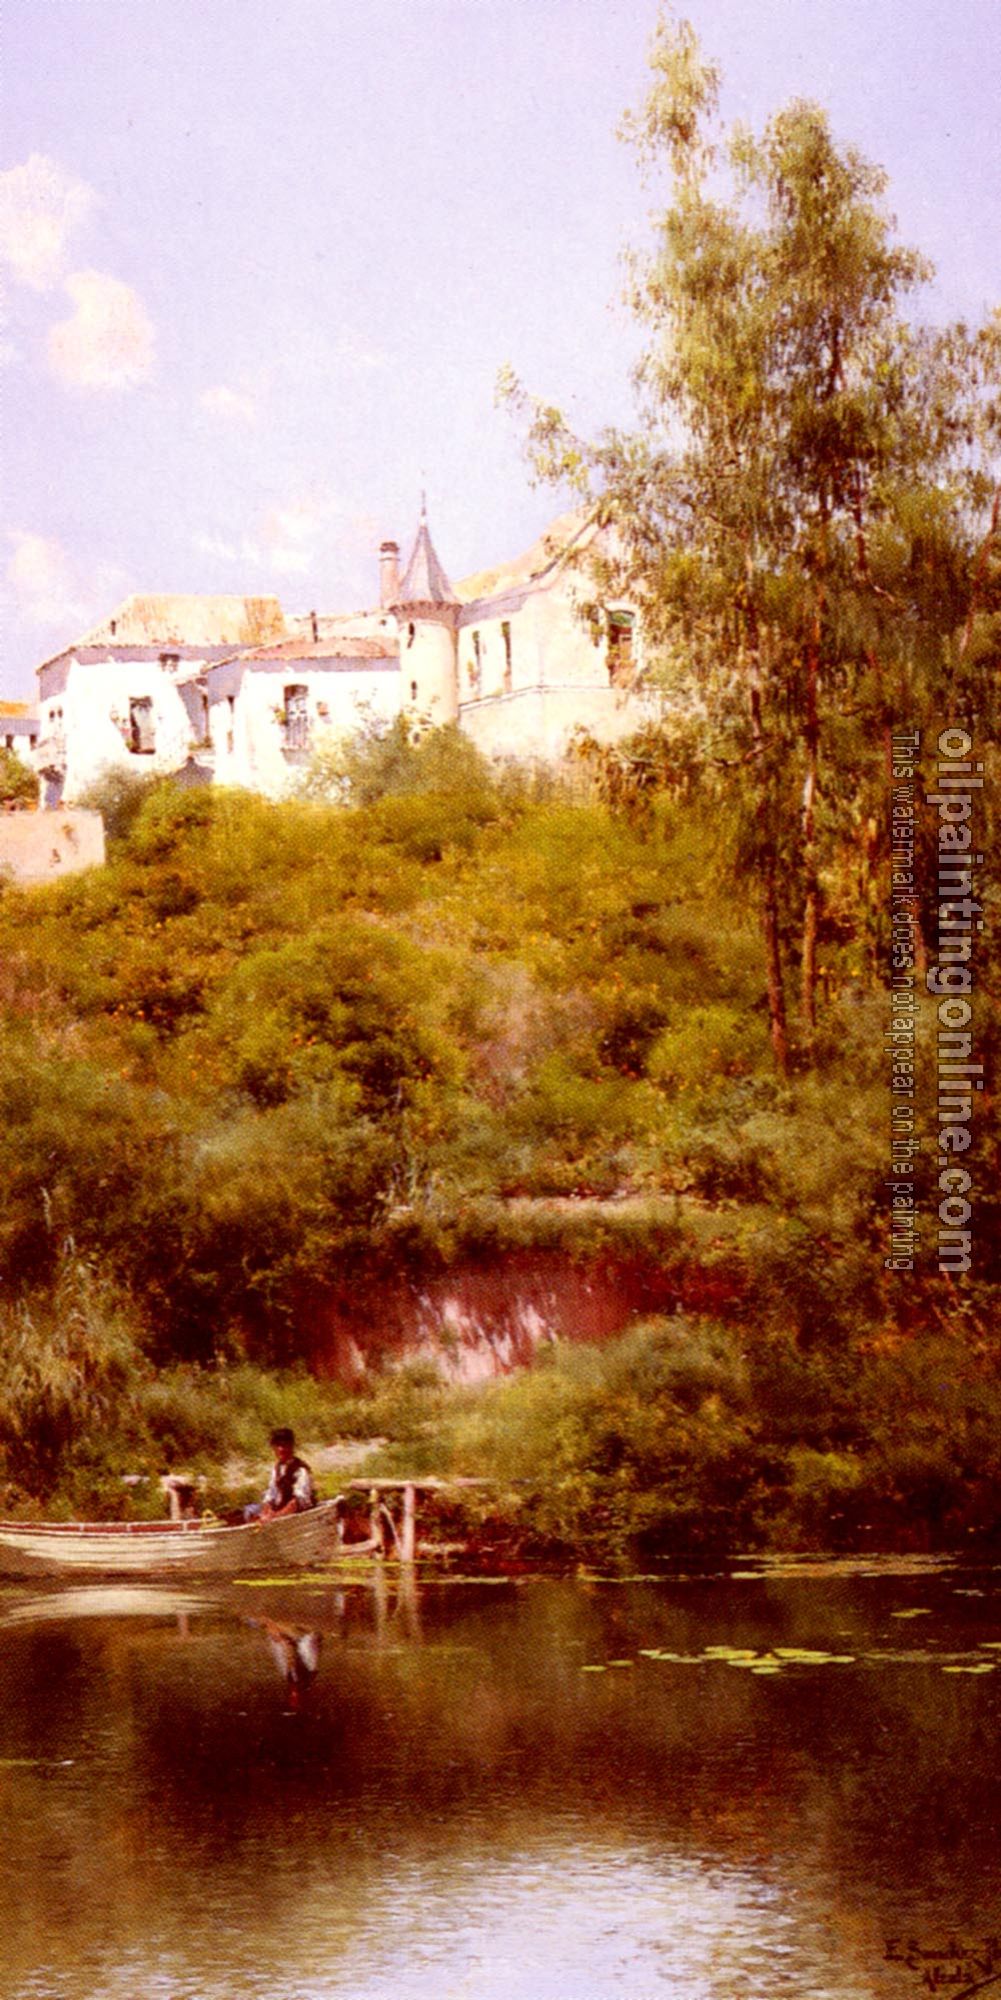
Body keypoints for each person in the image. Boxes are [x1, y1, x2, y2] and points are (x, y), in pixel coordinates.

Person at [245, 1428, 316, 1521]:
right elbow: (271, 1495)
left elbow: (297, 1502)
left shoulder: (300, 1470)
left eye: (284, 1445)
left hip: (295, 1513)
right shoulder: (277, 1469)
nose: (281, 1449)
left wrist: (275, 1516)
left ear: (291, 1446)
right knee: (249, 1510)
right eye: (277, 1446)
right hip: (279, 1508)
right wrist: (266, 1512)